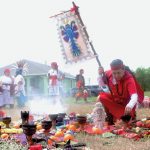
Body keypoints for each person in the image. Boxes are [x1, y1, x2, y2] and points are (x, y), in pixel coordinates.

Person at [97, 59, 144, 125]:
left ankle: (128, 116)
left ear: (123, 70)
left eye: (118, 73)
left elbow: (134, 96)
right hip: (116, 101)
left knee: (123, 121)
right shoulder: (109, 73)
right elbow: (102, 85)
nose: (116, 75)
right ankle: (109, 117)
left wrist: (130, 105)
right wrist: (100, 74)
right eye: (114, 73)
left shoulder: (129, 79)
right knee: (101, 97)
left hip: (126, 105)